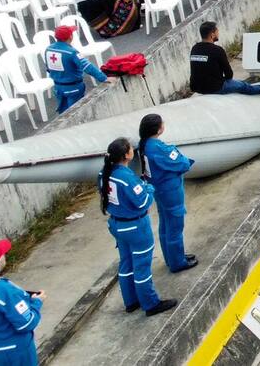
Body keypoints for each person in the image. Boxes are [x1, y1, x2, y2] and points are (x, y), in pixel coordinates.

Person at [98, 137, 177, 316]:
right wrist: (148, 189)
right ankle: (150, 303)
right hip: (135, 227)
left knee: (126, 263)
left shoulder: (104, 174)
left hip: (117, 225)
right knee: (142, 266)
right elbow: (143, 202)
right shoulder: (126, 178)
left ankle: (131, 301)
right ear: (126, 155)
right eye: (130, 149)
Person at [138, 114, 197, 274]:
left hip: (159, 189)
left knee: (165, 224)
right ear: (158, 129)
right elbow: (181, 163)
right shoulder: (158, 148)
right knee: (175, 225)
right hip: (169, 190)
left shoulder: (144, 145)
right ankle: (178, 262)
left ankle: (172, 257)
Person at [0, 237, 43, 365]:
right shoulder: (3, 290)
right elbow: (26, 323)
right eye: (2, 254)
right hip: (13, 352)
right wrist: (36, 303)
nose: (4, 255)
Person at [189, 21, 260, 95]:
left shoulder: (194, 48)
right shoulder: (218, 50)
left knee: (237, 82)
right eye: (217, 32)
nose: (218, 33)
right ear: (212, 35)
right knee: (242, 86)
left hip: (196, 88)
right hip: (214, 88)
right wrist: (221, 80)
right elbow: (229, 74)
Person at [44, 24, 108, 114]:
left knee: (63, 114)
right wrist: (104, 78)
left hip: (58, 88)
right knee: (76, 114)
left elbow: (48, 68)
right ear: (70, 37)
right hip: (73, 88)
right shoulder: (71, 52)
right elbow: (87, 66)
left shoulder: (48, 49)